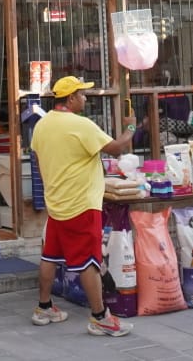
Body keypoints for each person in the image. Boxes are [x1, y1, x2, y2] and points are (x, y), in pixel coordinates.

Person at [29, 75, 134, 338]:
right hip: (81, 204)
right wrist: (131, 128)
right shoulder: (81, 125)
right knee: (89, 261)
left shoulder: (42, 125)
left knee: (50, 255)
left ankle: (43, 307)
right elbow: (118, 149)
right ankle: (101, 317)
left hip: (57, 203)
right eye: (83, 94)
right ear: (72, 98)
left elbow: (40, 161)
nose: (85, 98)